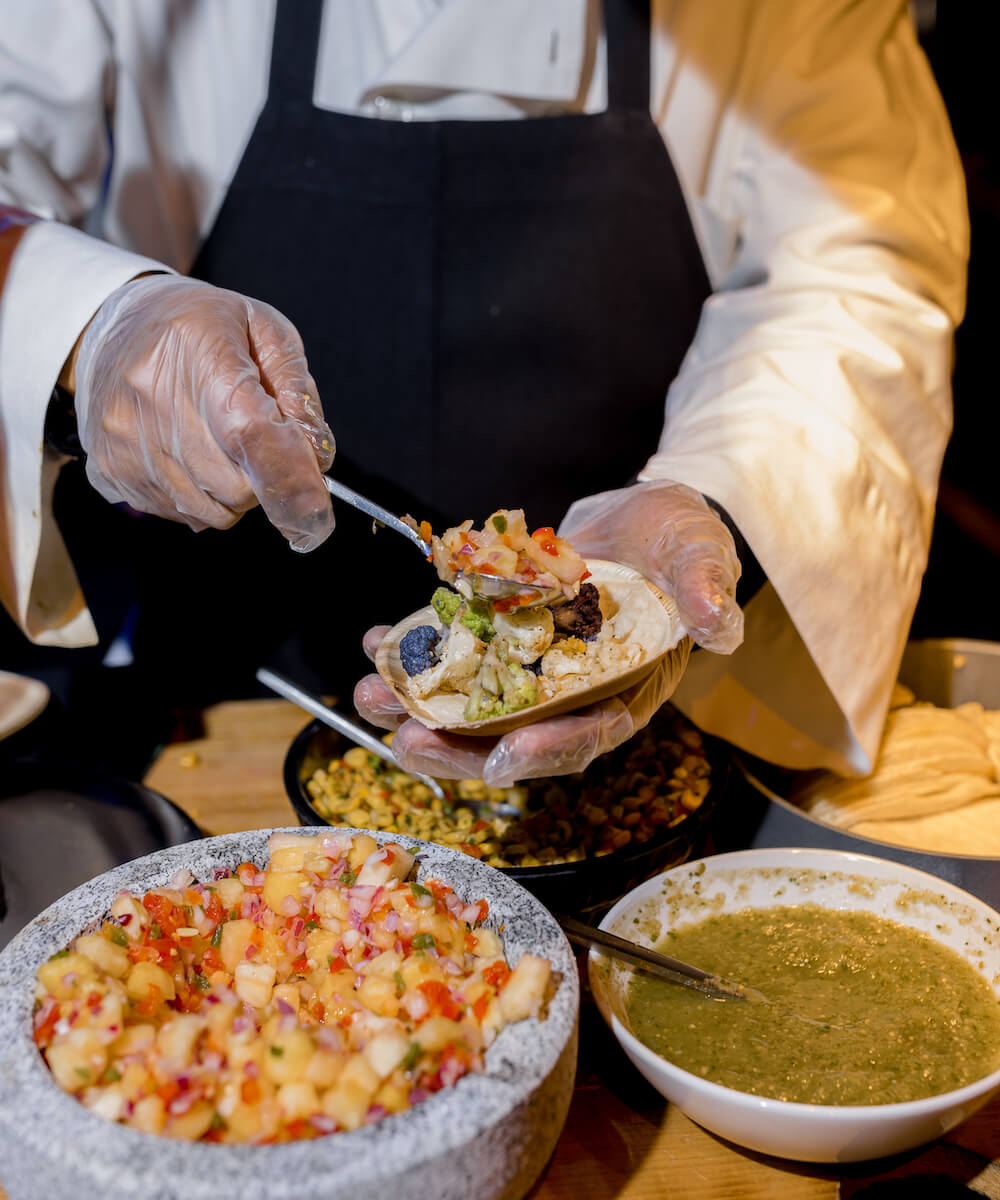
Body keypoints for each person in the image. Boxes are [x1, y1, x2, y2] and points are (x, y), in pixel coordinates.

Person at [0, 0, 967, 787]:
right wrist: (91, 326)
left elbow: (855, 272)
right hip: (210, 708)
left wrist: (717, 496)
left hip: (651, 711)